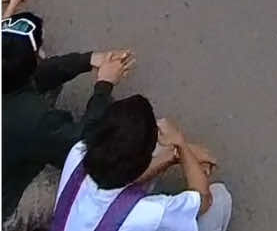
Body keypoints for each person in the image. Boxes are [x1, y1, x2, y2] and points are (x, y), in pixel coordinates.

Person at [3, 14, 135, 231]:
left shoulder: (10, 79)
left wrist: (88, 59)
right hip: (6, 202)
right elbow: (81, 144)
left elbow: (34, 74)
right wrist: (104, 86)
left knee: (50, 83)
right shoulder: (35, 119)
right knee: (79, 195)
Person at [53, 95, 231, 230]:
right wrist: (181, 144)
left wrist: (172, 157)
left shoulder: (78, 152)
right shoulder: (146, 212)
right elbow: (204, 200)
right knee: (220, 199)